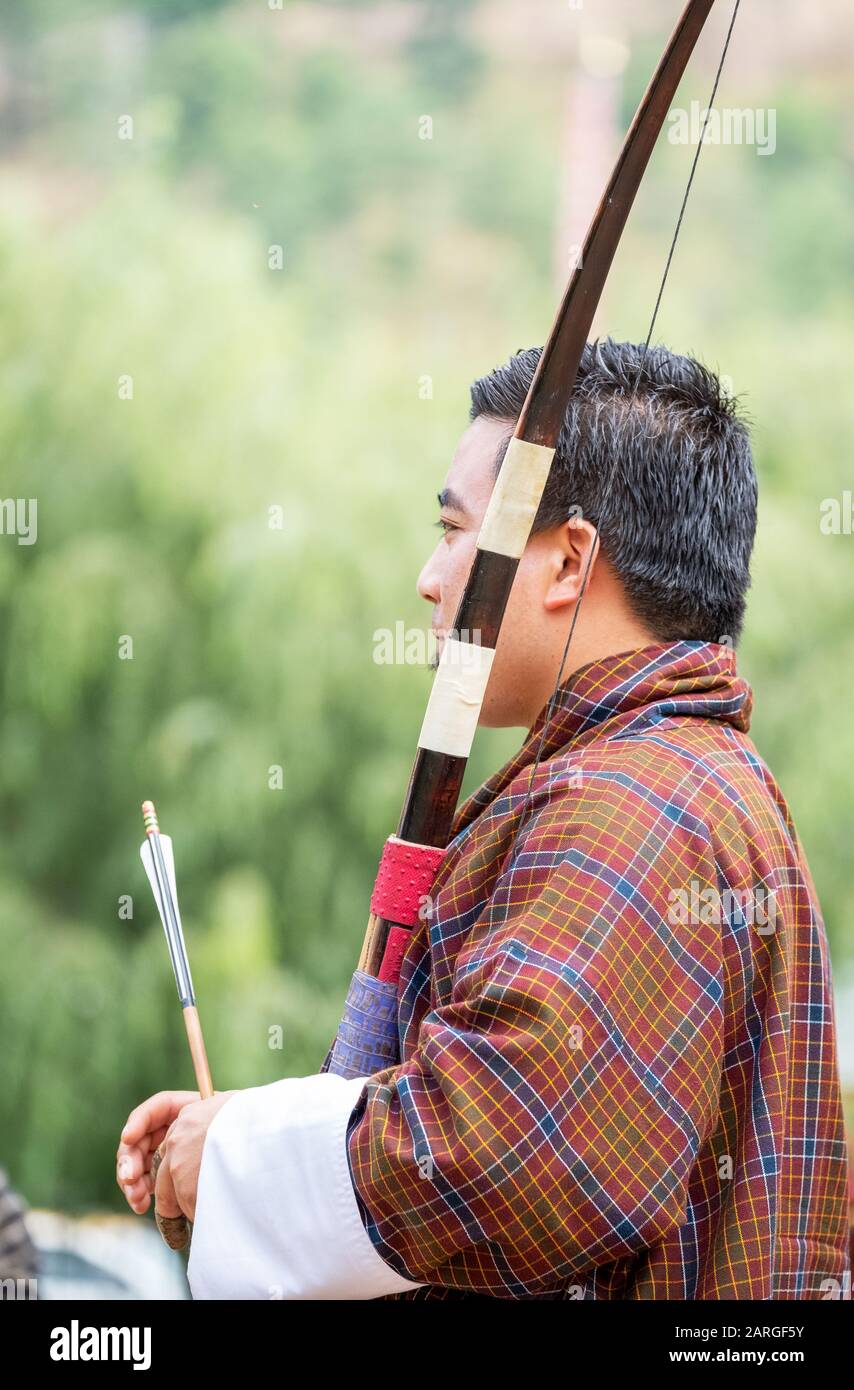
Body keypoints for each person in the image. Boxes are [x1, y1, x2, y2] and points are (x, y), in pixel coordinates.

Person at [116, 340, 851, 1300]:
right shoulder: (669, 776)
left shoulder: (634, 802)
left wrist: (248, 1151)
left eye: (454, 530)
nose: (429, 576)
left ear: (568, 562)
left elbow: (510, 1147)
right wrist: (246, 1142)